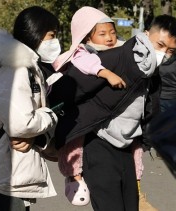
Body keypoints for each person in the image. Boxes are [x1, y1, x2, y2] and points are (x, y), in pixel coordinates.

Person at [50, 13, 176, 211]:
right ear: (147, 35)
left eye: (171, 51)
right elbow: (68, 90)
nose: (163, 54)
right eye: (160, 45)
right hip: (98, 143)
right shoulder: (114, 57)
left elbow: (149, 109)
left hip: (127, 147)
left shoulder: (152, 73)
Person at [0, 6, 61, 211]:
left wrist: (37, 137)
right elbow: (21, 124)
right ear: (36, 33)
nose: (54, 41)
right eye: (52, 35)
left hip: (11, 171)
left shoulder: (25, 66)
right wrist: (50, 113)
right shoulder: (15, 67)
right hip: (3, 171)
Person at [52, 6, 126, 206]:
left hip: (112, 123)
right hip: (82, 115)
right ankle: (73, 175)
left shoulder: (120, 50)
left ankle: (136, 175)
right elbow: (89, 65)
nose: (109, 38)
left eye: (112, 32)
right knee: (75, 140)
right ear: (86, 37)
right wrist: (107, 73)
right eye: (102, 34)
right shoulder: (82, 53)